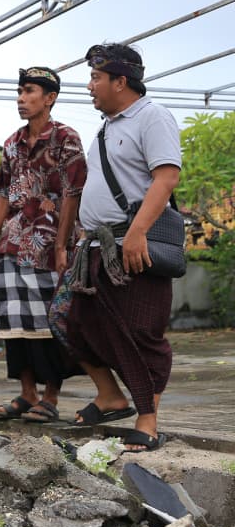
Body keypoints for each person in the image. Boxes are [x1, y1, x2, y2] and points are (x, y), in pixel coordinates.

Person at [65, 43, 181, 452]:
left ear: (121, 80)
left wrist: (137, 232)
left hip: (134, 242)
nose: (90, 86)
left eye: (97, 77)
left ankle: (148, 420)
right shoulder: (107, 127)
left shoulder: (152, 116)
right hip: (96, 246)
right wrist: (84, 235)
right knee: (69, 319)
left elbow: (166, 178)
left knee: (140, 331)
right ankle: (110, 395)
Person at [0, 67, 88, 423]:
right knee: (14, 322)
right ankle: (26, 393)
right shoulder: (11, 143)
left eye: (29, 92)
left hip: (48, 244)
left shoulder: (65, 138)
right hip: (12, 244)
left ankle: (51, 396)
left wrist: (61, 245)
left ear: (50, 97)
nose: (22, 99)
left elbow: (73, 192)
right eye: (19, 93)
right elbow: (4, 195)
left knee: (47, 321)